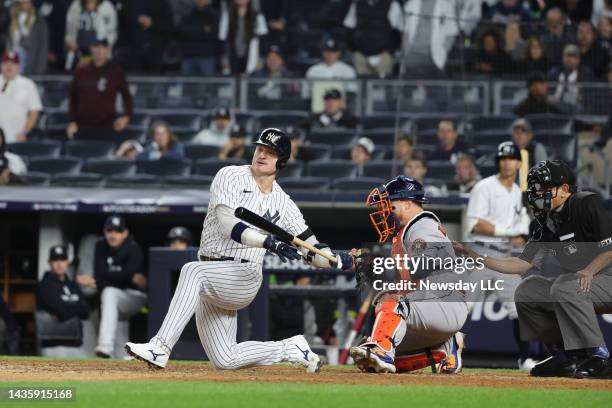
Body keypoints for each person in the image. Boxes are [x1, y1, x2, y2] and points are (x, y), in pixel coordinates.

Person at [124, 128, 354, 371]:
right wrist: (267, 242)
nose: (262, 155)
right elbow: (227, 223)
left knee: (193, 271)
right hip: (213, 273)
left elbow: (311, 248)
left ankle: (160, 347)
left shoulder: (284, 204)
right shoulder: (230, 176)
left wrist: (333, 259)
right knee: (225, 359)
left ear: (282, 161)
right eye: (260, 149)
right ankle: (291, 348)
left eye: (270, 152)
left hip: (244, 275)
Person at [455, 160, 612, 379]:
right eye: (536, 188)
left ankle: (600, 357)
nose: (538, 193)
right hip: (583, 284)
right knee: (527, 290)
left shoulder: (587, 203)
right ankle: (567, 356)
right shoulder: (546, 221)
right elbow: (521, 264)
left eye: (544, 188)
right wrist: (478, 258)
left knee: (564, 287)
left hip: (606, 276)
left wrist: (590, 270)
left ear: (564, 189)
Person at [348, 175, 467, 374]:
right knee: (368, 358)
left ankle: (382, 349)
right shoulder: (407, 231)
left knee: (389, 302)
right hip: (433, 306)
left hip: (444, 303)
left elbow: (423, 265)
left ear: (407, 202)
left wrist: (377, 262)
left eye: (389, 204)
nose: (385, 211)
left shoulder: (422, 224)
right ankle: (443, 349)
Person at [463, 141, 535, 371]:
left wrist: (523, 231)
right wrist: (511, 231)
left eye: (511, 158)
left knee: (519, 308)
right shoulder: (484, 187)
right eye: (503, 158)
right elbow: (475, 225)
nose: (507, 162)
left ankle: (525, 359)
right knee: (462, 308)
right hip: (480, 253)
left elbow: (521, 230)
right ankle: (446, 353)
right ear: (498, 162)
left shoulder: (518, 194)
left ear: (518, 163)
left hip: (504, 258)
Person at [77, 215, 147, 359]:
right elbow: (105, 274)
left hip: (134, 297)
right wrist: (122, 276)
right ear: (105, 232)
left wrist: (98, 281)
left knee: (109, 293)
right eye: (110, 231)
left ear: (125, 233)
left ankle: (105, 345)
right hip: (114, 299)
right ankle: (120, 357)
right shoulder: (100, 246)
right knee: (110, 299)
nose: (113, 235)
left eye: (117, 231)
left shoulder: (133, 248)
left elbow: (127, 277)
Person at [67, 38, 133, 143]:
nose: (99, 51)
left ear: (108, 50)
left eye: (103, 48)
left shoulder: (115, 71)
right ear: (91, 49)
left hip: (107, 126)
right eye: (96, 47)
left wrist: (126, 116)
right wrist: (72, 121)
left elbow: (127, 96)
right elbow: (73, 98)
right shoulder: (81, 71)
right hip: (82, 126)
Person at [36, 245, 90, 358]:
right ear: (49, 262)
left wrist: (68, 307)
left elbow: (86, 312)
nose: (59, 264)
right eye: (55, 260)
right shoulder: (44, 285)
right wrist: (77, 306)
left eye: (63, 259)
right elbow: (62, 312)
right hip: (53, 345)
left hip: (76, 344)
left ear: (67, 262)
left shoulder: (73, 285)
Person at [342, 0, 403, 78]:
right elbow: (349, 28)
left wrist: (390, 50)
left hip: (383, 55)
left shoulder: (392, 4)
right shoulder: (357, 3)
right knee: (361, 85)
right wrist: (354, 49)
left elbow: (398, 31)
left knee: (383, 85)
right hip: (361, 54)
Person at [118, 0, 173, 74]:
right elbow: (123, 25)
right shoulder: (129, 3)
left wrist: (152, 23)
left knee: (154, 81)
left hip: (156, 52)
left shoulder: (161, 3)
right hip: (133, 52)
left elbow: (169, 26)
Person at [0, 50, 42, 143]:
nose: (9, 67)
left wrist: (24, 132)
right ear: (1, 65)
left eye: (13, 64)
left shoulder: (28, 84)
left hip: (18, 139)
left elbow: (34, 111)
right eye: (6, 63)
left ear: (18, 66)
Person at [219, 0, 268, 75]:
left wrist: (260, 59)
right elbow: (223, 37)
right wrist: (224, 59)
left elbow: (263, 37)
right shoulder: (228, 14)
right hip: (233, 53)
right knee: (234, 78)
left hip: (252, 53)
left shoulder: (257, 14)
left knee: (249, 77)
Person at [64, 0, 118, 68]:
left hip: (99, 51)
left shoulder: (106, 6)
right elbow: (70, 28)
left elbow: (112, 31)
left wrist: (106, 47)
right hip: (79, 51)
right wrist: (70, 40)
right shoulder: (76, 5)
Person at [177, 0, 221, 76]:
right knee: (188, 85)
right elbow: (181, 31)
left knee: (208, 85)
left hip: (207, 56)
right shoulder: (188, 14)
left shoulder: (215, 15)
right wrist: (203, 29)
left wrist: (193, 31)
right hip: (188, 55)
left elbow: (214, 34)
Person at [6, 0, 49, 75]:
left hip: (31, 63)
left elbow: (43, 46)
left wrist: (40, 69)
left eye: (27, 2)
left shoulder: (38, 20)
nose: (24, 5)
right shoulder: (11, 18)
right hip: (13, 61)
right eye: (21, 3)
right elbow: (9, 42)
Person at [549, 44, 595, 111]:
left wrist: (581, 97)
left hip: (575, 107)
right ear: (563, 58)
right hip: (555, 105)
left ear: (578, 60)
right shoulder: (554, 73)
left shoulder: (585, 74)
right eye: (567, 56)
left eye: (573, 56)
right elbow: (548, 91)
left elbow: (590, 95)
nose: (569, 59)